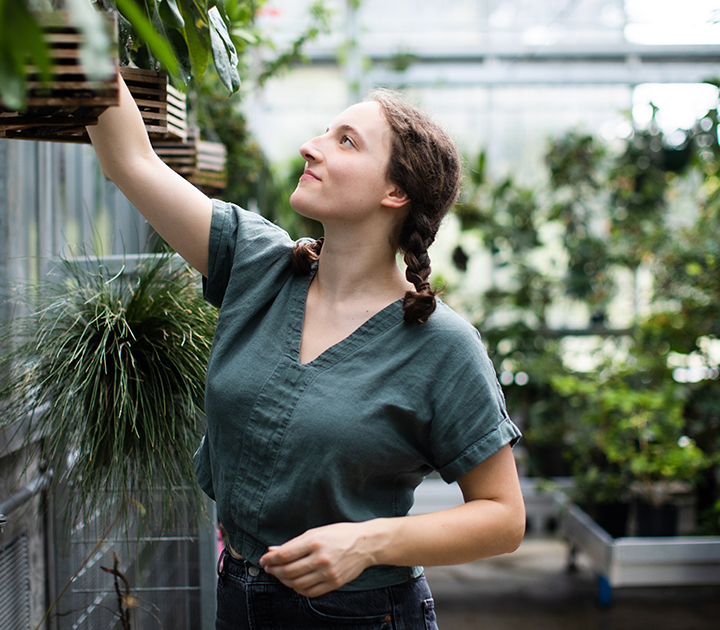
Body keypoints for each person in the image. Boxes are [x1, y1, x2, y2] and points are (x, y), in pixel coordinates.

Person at [88, 73, 525, 629]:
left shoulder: (441, 345)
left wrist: (368, 542)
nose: (309, 145)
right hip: (238, 598)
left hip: (360, 613)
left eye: (345, 140)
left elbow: (504, 518)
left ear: (396, 193)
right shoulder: (259, 266)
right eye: (325, 130)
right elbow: (132, 160)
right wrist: (84, 27)